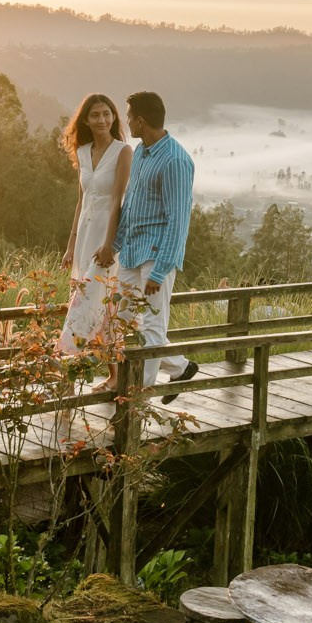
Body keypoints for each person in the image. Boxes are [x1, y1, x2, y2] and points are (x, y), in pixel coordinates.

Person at [113, 91, 198, 396]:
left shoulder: (175, 160)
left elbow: (178, 221)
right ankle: (179, 367)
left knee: (152, 327)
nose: (126, 122)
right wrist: (115, 244)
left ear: (141, 120)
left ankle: (136, 398)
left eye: (129, 117)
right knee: (122, 319)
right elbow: (130, 203)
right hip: (131, 253)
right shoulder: (140, 152)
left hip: (156, 256)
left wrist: (160, 270)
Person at [59, 93, 133, 363]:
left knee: (102, 299)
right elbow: (82, 201)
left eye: (106, 114)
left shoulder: (123, 151)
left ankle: (77, 359)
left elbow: (117, 201)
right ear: (86, 121)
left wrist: (110, 244)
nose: (102, 120)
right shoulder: (82, 152)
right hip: (84, 234)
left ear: (113, 117)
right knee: (82, 296)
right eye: (95, 115)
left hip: (106, 233)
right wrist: (70, 246)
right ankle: (83, 365)